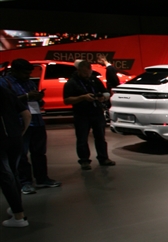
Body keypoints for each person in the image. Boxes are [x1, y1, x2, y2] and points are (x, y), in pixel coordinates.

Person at [1, 59, 61, 193]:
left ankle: (42, 178)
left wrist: (39, 98)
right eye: (25, 73)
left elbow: (38, 102)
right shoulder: (4, 83)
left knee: (39, 152)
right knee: (21, 154)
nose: (28, 76)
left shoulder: (30, 83)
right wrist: (26, 96)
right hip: (20, 123)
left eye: (29, 73)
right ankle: (24, 182)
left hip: (37, 120)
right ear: (14, 71)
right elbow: (7, 103)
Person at [63, 59, 115, 170]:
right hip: (81, 114)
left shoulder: (94, 80)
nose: (87, 75)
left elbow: (106, 92)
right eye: (84, 73)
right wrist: (82, 97)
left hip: (96, 112)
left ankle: (103, 158)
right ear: (78, 71)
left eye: (88, 73)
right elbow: (67, 100)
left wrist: (103, 97)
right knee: (82, 139)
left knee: (100, 137)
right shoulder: (72, 83)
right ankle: (84, 161)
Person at [0, 85, 30, 227]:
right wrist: (20, 133)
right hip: (15, 138)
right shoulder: (6, 91)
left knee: (6, 177)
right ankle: (16, 208)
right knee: (13, 173)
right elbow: (27, 114)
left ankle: (19, 216)